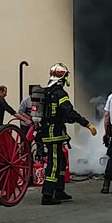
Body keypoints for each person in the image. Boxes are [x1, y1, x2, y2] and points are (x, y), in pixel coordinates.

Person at [38, 63, 97, 205]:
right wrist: (86, 123)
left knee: (61, 161)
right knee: (54, 163)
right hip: (54, 133)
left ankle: (59, 191)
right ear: (63, 78)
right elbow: (68, 112)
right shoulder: (60, 93)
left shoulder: (47, 91)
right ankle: (47, 194)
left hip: (51, 131)